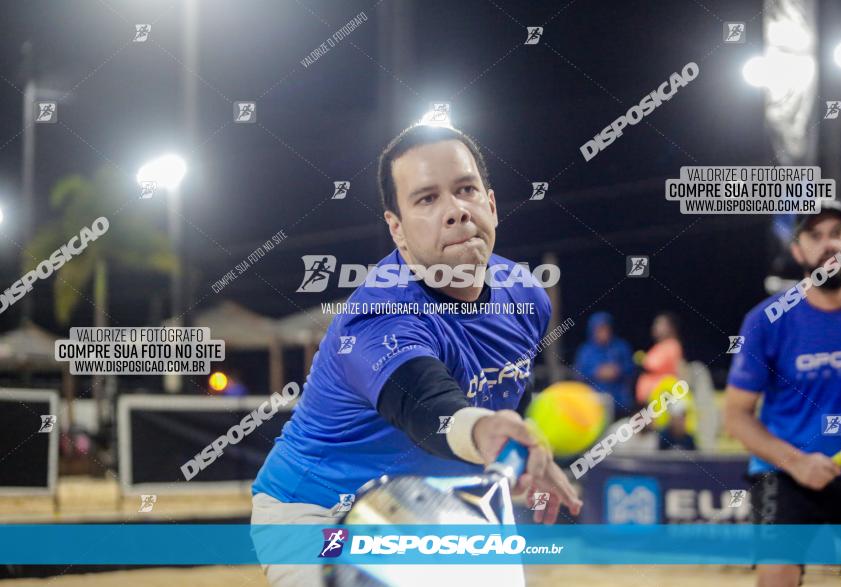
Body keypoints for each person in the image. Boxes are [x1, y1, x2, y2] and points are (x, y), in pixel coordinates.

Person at [250, 124, 582, 587]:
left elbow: (505, 393)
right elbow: (427, 405)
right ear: (397, 229)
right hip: (324, 509)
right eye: (426, 199)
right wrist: (485, 431)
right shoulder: (378, 315)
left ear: (490, 204)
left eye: (466, 190)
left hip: (440, 497)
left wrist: (528, 454)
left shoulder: (526, 296)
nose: (455, 212)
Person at [724, 201, 841, 587]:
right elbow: (736, 416)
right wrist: (796, 463)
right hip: (786, 470)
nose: (828, 244)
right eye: (815, 235)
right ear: (797, 250)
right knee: (776, 576)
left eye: (837, 233)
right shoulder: (766, 320)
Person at [573, 312, 635, 419]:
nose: (604, 332)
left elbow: (631, 369)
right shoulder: (586, 351)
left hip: (620, 403)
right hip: (594, 404)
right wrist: (596, 372)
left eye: (606, 328)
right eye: (600, 329)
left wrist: (617, 371)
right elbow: (578, 374)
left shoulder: (621, 346)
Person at [635, 312, 684, 404]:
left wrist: (641, 359)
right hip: (651, 400)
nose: (655, 327)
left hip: (663, 398)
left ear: (671, 327)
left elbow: (653, 364)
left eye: (660, 324)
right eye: (655, 324)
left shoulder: (672, 344)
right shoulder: (659, 346)